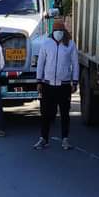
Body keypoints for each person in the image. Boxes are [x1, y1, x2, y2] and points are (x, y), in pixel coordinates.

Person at [34, 20, 79, 150]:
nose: (58, 32)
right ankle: (44, 139)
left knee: (65, 113)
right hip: (48, 85)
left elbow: (75, 64)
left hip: (64, 85)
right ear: (52, 31)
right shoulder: (46, 44)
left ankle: (65, 139)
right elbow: (41, 63)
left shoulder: (70, 44)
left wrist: (74, 82)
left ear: (64, 31)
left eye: (61, 30)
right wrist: (39, 81)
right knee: (46, 113)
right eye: (56, 30)